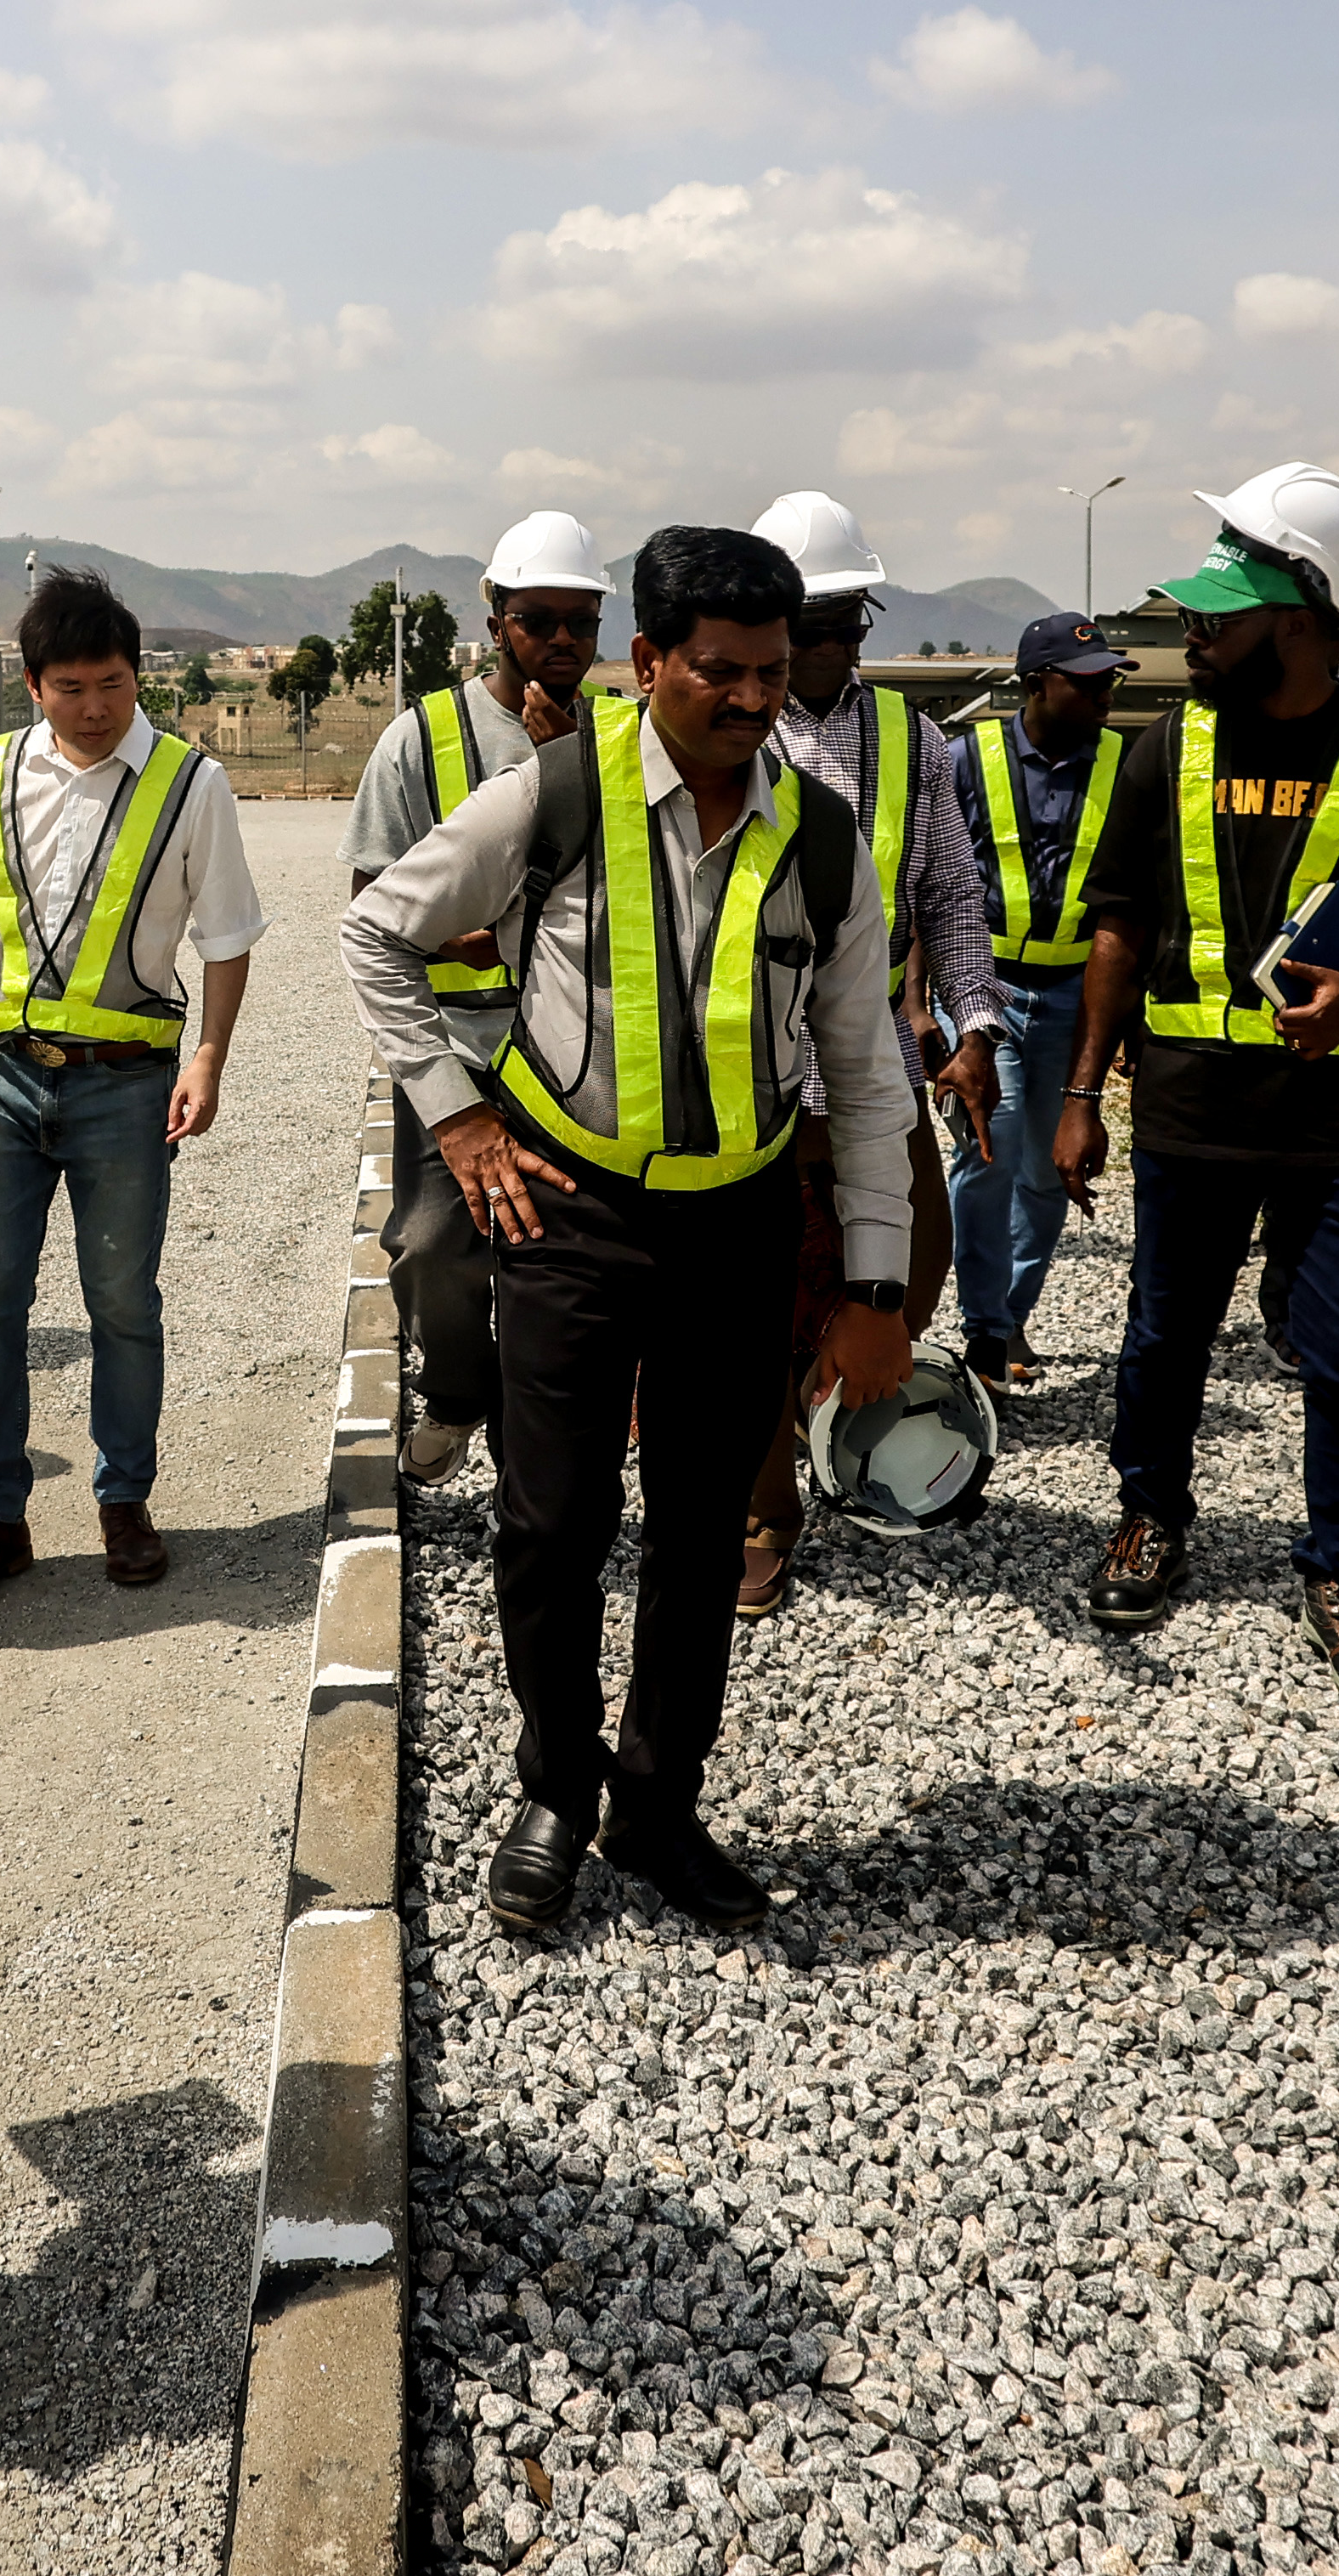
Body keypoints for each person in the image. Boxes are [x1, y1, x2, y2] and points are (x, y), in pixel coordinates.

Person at [346, 524, 912, 1935]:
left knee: (702, 1535)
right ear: (645, 661)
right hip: (572, 1214)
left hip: (736, 1226)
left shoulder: (819, 837)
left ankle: (658, 1807)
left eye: (772, 673)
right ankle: (557, 1790)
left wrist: (878, 1279)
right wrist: (460, 1120)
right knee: (549, 1524)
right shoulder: (553, 796)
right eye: (717, 672)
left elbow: (862, 1066)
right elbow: (378, 932)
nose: (749, 701)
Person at [1049, 472, 1339, 1707]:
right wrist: (1081, 1093)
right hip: (1188, 1115)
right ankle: (1150, 1518)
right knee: (1162, 1340)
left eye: (1219, 613)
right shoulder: (1160, 751)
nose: (1192, 632)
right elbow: (1120, 930)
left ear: (1301, 612)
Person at [0, 564, 259, 1602]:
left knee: (121, 1303)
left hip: (126, 1087)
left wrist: (208, 1059)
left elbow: (229, 936)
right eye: (72, 688)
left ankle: (123, 1500)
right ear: (31, 686)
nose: (96, 708)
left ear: (137, 676)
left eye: (113, 683)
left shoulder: (193, 786)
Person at [740, 489, 997, 1618]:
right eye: (807, 622)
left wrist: (975, 1025)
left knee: (903, 1271)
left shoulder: (913, 744)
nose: (826, 646)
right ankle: (760, 1509)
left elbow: (949, 898)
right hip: (746, 1079)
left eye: (847, 621)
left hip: (871, 1072)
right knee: (747, 1298)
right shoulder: (726, 732)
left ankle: (822, 1410)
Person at [338, 511, 606, 1491]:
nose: (564, 641)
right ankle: (456, 1391)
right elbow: (370, 904)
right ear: (496, 619)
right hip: (456, 1043)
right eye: (541, 619)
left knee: (561, 1254)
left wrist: (572, 771)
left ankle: (546, 1443)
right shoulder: (426, 739)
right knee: (431, 1245)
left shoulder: (617, 739)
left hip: (577, 1053)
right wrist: (471, 933)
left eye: (583, 621)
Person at [947, 613, 1129, 1389]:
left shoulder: (1128, 763)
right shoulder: (965, 759)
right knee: (994, 1147)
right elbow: (933, 881)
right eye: (1087, 683)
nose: (1105, 695)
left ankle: (1007, 1313)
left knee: (1051, 1169)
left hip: (1076, 993)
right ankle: (984, 1329)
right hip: (987, 986)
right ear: (1033, 685)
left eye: (1110, 680)